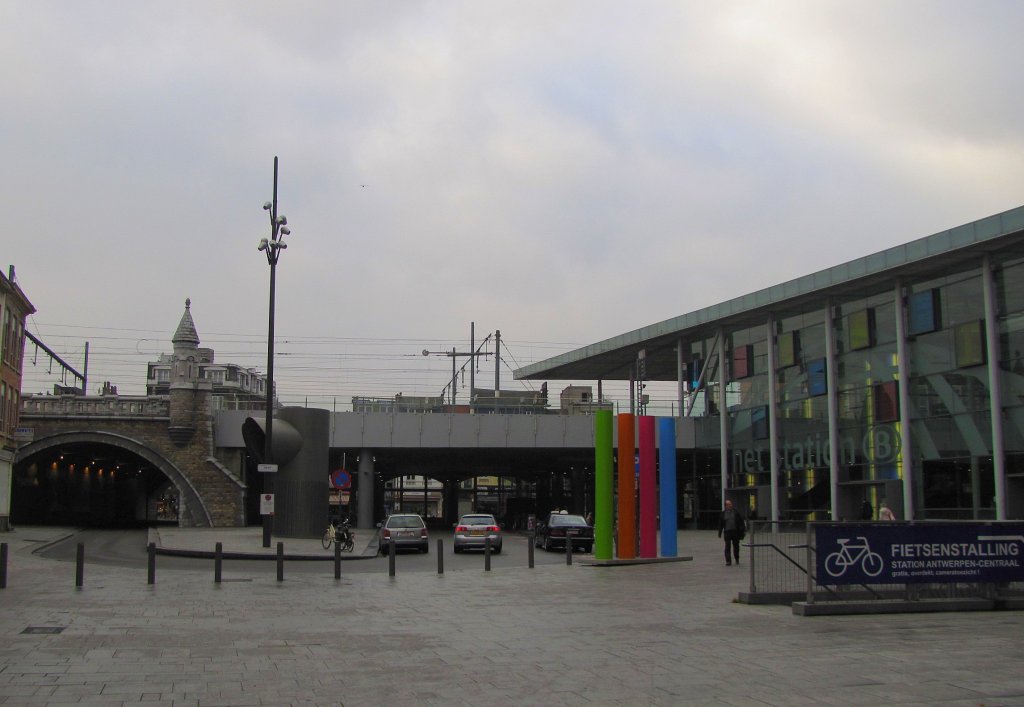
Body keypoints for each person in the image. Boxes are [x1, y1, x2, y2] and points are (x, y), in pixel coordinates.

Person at [718, 499, 746, 566]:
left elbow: (741, 522)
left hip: (735, 532)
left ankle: (737, 558)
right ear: (726, 506)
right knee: (727, 547)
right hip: (727, 532)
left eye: (731, 504)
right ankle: (728, 561)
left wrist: (742, 530)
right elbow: (721, 524)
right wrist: (719, 532)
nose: (730, 505)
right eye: (729, 504)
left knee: (736, 546)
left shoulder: (735, 512)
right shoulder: (723, 514)